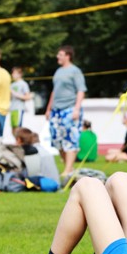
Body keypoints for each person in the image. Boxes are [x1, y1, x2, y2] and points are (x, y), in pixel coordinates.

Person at [45, 45, 87, 177]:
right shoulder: (58, 71)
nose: (57, 57)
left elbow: (81, 90)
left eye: (60, 55)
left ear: (68, 56)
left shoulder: (75, 71)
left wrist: (76, 109)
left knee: (70, 140)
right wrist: (48, 109)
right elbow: (54, 91)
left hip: (69, 109)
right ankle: (68, 168)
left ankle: (68, 170)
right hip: (56, 110)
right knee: (57, 141)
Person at [9, 67, 32, 133]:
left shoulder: (23, 84)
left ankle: (20, 139)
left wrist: (15, 94)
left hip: (19, 108)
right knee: (13, 130)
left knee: (18, 128)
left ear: (20, 74)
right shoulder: (12, 84)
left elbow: (28, 97)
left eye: (14, 73)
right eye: (12, 73)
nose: (13, 75)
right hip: (12, 109)